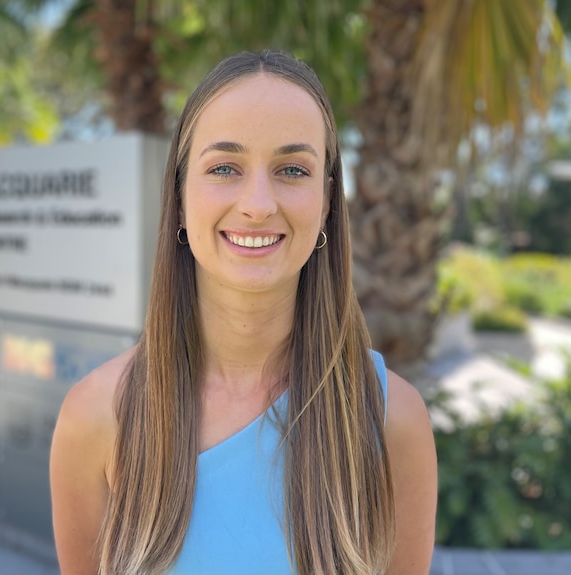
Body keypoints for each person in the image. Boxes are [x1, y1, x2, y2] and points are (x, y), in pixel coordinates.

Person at [49, 50, 437, 575]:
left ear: (326, 202)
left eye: (293, 169)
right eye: (225, 167)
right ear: (181, 198)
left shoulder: (393, 420)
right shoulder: (95, 419)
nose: (258, 203)